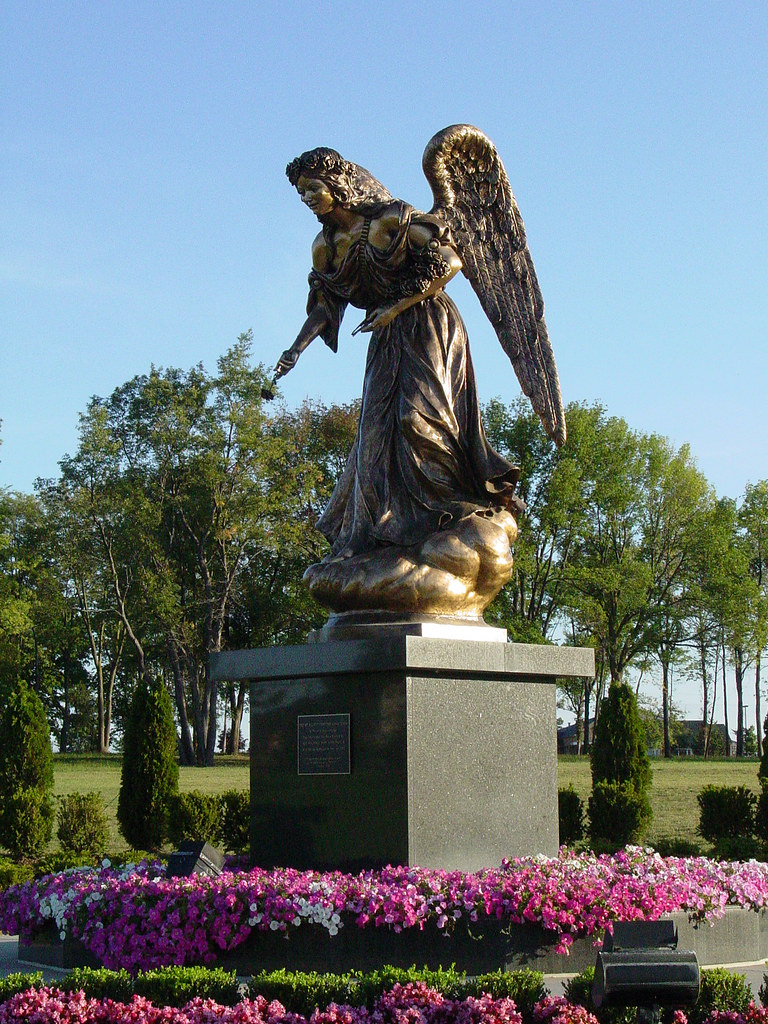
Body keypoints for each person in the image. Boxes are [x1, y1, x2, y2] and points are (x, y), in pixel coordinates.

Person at [277, 146, 521, 578]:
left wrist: (395, 306)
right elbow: (325, 306)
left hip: (428, 322)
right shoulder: (325, 247)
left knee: (417, 419)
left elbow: (450, 260)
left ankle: (445, 513)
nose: (308, 199)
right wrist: (296, 349)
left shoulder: (390, 219)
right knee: (373, 435)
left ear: (337, 184)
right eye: (301, 193)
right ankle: (369, 537)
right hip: (385, 336)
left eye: (313, 188)